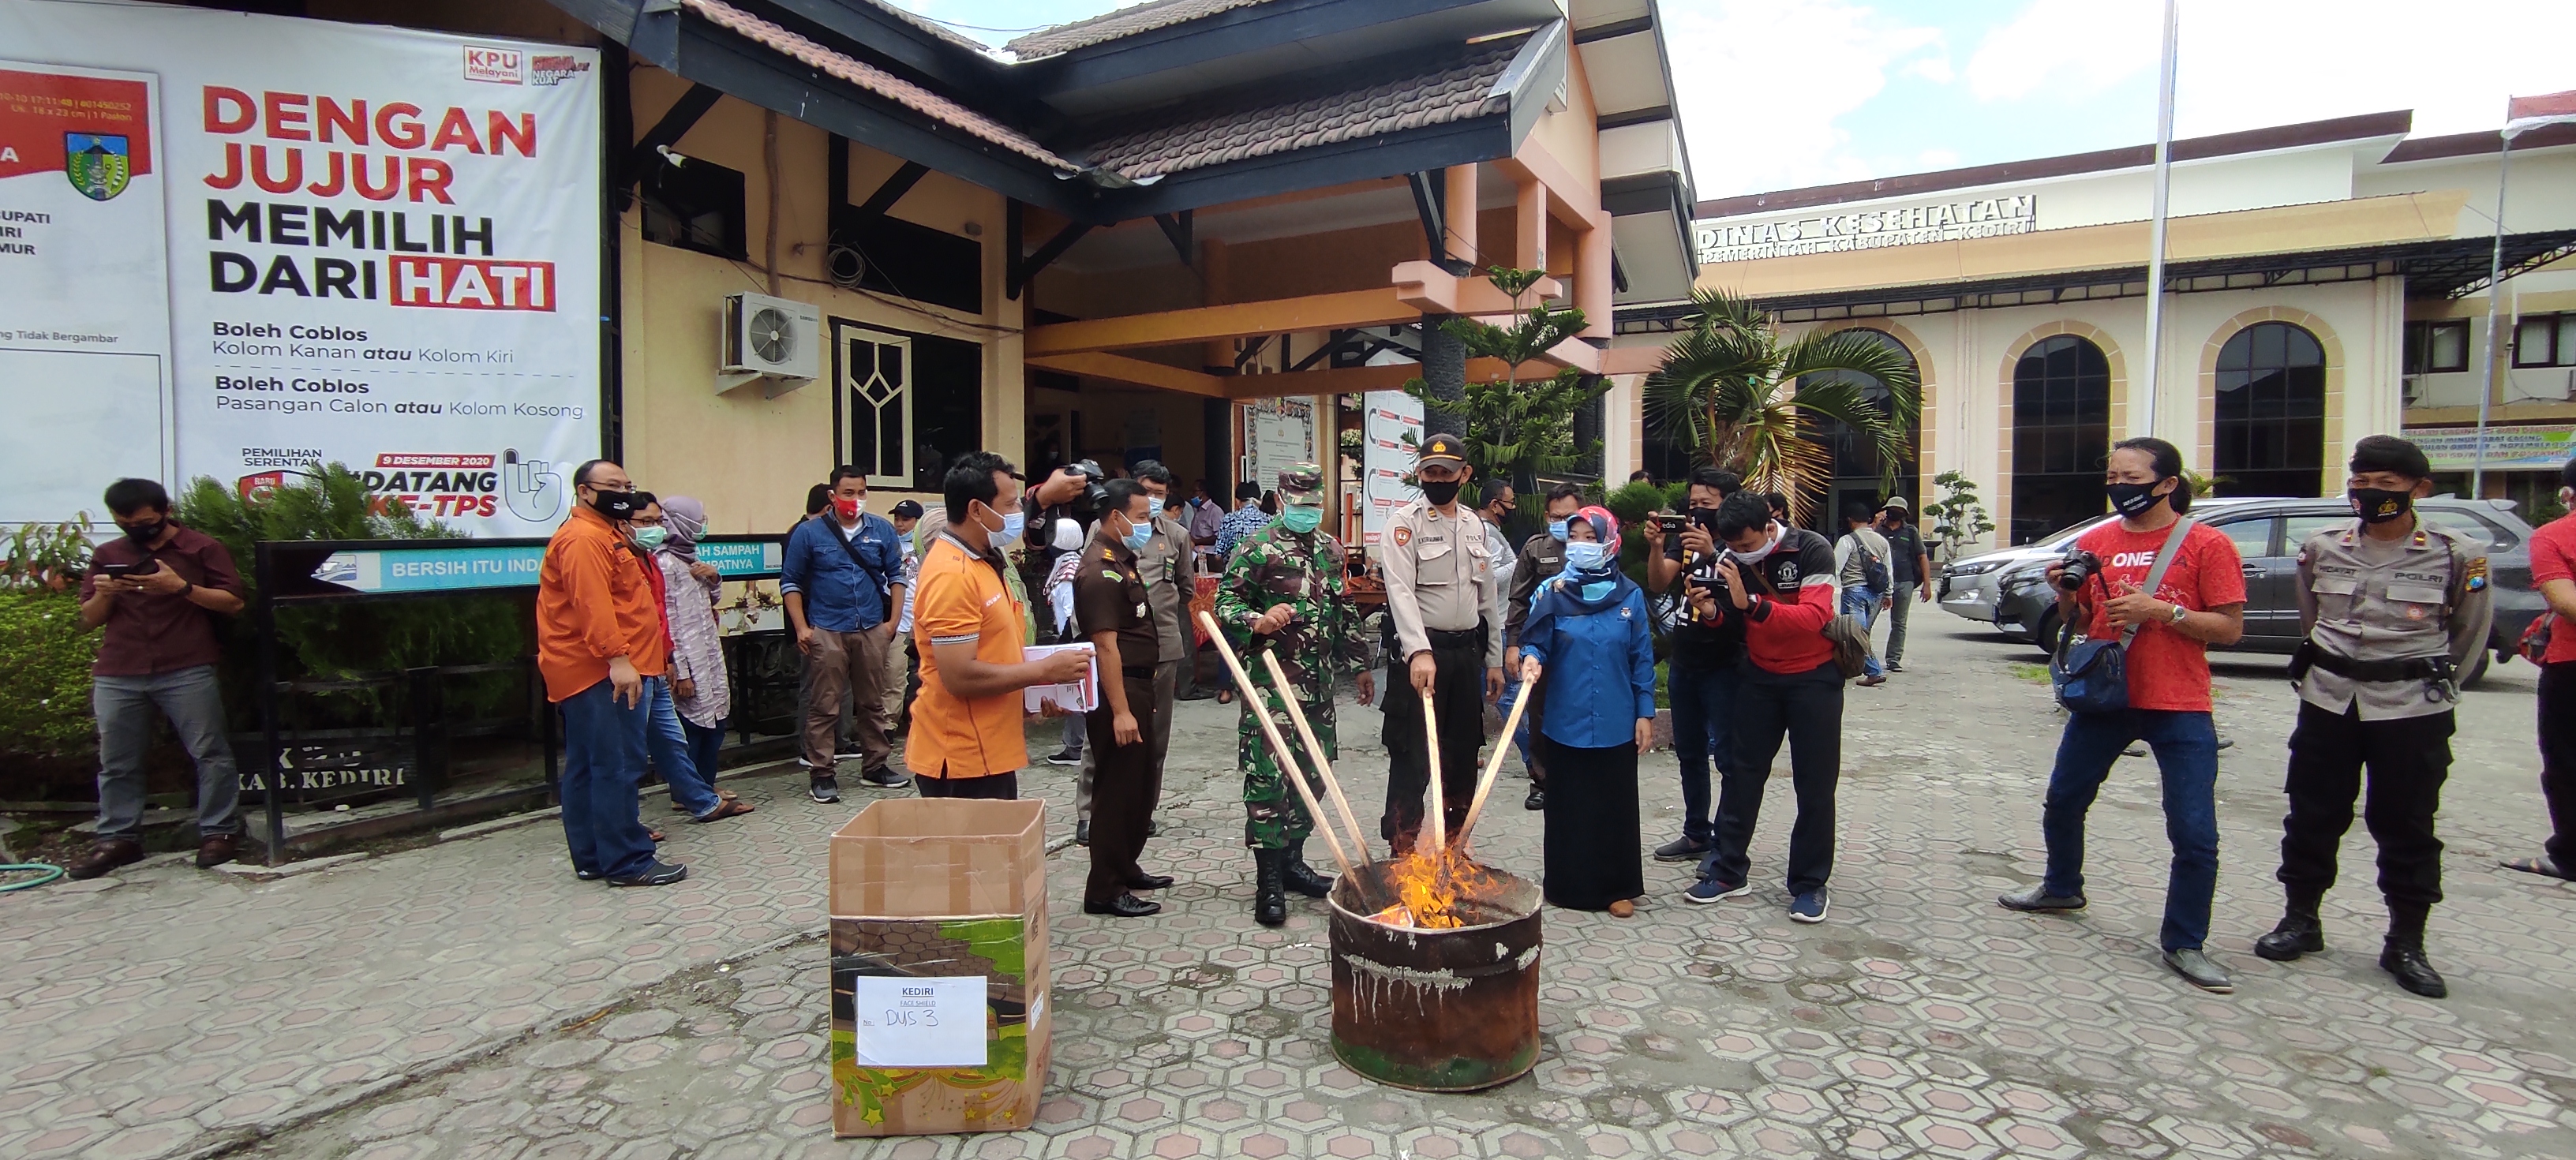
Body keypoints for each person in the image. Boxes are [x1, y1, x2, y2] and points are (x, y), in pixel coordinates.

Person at [1997, 437, 2246, 993]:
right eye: (2112, 474)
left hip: (2179, 703)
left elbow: (2229, 630)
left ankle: (2185, 941)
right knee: (2064, 799)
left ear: (2165, 484)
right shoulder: (2098, 539)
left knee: (2193, 829)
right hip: (2106, 697)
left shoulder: (2207, 544)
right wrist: (2065, 593)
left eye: (2130, 476)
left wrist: (2165, 611)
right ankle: (2062, 885)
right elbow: (2080, 621)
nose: (2118, 485)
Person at [2251, 436, 2491, 998]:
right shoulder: (2320, 546)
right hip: (2330, 699)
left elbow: (2470, 632)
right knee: (2312, 815)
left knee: (2407, 823)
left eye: (2386, 484)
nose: (2370, 493)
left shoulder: (2460, 553)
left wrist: (2430, 679)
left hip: (2411, 708)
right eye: (2361, 483)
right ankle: (2301, 920)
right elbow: (2314, 619)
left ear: (2419, 489)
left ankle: (2407, 941)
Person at [63, 478, 250, 879]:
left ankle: (219, 832)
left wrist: (179, 587)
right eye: (123, 521)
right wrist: (106, 593)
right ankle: (118, 839)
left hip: (186, 664)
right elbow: (84, 621)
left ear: (165, 511)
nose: (135, 527)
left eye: (145, 520)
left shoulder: (201, 547)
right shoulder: (108, 553)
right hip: (119, 669)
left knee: (209, 752)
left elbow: (233, 602)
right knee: (117, 761)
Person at [1214, 465, 1372, 924]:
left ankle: (1292, 862)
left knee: (1313, 775)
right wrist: (1257, 622)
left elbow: (1341, 613)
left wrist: (1360, 665)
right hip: (1271, 686)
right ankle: (1267, 878)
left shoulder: (1330, 549)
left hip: (1319, 686)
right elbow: (1225, 603)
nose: (1307, 510)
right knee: (1267, 779)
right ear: (1282, 500)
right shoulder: (1256, 547)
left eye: (1313, 503)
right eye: (1299, 503)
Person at [1684, 491, 1844, 922]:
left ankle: (1810, 884)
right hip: (1758, 677)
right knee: (1741, 773)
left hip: (1814, 678)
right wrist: (1712, 611)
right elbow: (1734, 622)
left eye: (1749, 545)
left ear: (1770, 526)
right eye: (1733, 547)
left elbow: (1814, 616)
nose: (1741, 554)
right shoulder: (1732, 559)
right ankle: (1729, 870)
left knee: (1814, 784)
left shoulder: (1811, 549)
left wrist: (1750, 602)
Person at [906, 451, 1092, 799]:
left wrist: (1031, 696)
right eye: (1009, 506)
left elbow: (995, 651)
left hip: (990, 750)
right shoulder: (952, 573)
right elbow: (959, 675)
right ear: (977, 510)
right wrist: (1042, 672)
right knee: (973, 853)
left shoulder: (986, 560)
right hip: (961, 757)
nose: (1018, 515)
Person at [537, 460, 686, 886]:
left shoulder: (607, 533)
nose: (624, 493)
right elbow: (593, 605)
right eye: (613, 486)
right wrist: (618, 660)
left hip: (601, 669)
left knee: (589, 765)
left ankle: (593, 857)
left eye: (628, 485)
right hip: (601, 672)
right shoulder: (585, 539)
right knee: (618, 764)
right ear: (585, 492)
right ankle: (627, 861)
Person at [1518, 507, 1655, 918]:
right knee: (1569, 805)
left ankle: (1617, 888)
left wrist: (1644, 713)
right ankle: (1566, 886)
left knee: (1614, 805)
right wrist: (1530, 658)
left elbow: (1641, 658)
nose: (1581, 545)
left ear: (1610, 542)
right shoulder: (1553, 593)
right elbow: (1536, 641)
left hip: (1616, 717)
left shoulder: (1630, 595)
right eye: (1574, 536)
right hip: (1566, 717)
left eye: (1590, 537)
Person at [1379, 433, 1504, 855]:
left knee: (1463, 755)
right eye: (1429, 473)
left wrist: (1493, 659)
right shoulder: (1404, 524)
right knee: (1412, 755)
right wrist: (1418, 651)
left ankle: (1455, 843)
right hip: (1421, 659)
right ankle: (1403, 844)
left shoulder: (1475, 526)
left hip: (1465, 656)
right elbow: (1400, 593)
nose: (1437, 480)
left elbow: (1486, 598)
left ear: (1464, 475)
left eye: (1446, 473)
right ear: (1420, 474)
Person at [1075, 462, 1197, 846]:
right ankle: (1089, 814)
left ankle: (1142, 811)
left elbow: (1186, 589)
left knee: (1154, 741)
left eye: (1160, 494)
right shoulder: (1103, 533)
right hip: (1114, 651)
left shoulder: (1176, 536)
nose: (1154, 501)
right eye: (1147, 492)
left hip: (1161, 649)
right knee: (1106, 736)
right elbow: (1091, 588)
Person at [1074, 480, 1174, 918]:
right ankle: (1104, 889)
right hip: (1117, 691)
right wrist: (1119, 711)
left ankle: (1126, 865)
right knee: (1115, 791)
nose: (1145, 524)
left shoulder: (1122, 561)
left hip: (1138, 685)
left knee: (1137, 785)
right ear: (1114, 516)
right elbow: (1105, 647)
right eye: (1138, 517)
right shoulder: (1098, 570)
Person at [781, 466, 908, 802]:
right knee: (825, 704)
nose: (856, 499)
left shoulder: (881, 529)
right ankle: (822, 773)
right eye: (849, 493)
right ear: (833, 496)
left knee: (872, 701)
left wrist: (892, 623)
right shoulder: (808, 534)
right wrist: (802, 629)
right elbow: (790, 583)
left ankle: (876, 766)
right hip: (827, 628)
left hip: (871, 627)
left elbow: (896, 576)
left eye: (862, 492)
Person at [1641, 467, 1745, 865]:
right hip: (1686, 660)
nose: (1699, 511)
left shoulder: (1739, 545)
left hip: (1725, 664)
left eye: (1708, 504)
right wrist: (1656, 546)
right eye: (1694, 503)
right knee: (1690, 752)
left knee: (1729, 757)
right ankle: (1696, 832)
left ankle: (1727, 841)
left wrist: (1711, 552)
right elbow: (1657, 583)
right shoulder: (1683, 542)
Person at [633, 496, 752, 825]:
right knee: (693, 726)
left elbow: (707, 601)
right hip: (686, 658)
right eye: (697, 518)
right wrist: (680, 670)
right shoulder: (663, 563)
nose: (702, 523)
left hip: (709, 652)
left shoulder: (689, 558)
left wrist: (714, 579)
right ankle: (685, 793)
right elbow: (666, 617)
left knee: (715, 723)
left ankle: (704, 786)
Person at [2505, 456, 2576, 884]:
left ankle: (2569, 857)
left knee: (2567, 763)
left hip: (2571, 668)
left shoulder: (2554, 535)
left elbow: (2566, 603)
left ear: (2568, 494)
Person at [1503, 482, 1585, 810]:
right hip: (1542, 649)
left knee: (1580, 712)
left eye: (1569, 516)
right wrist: (1513, 645)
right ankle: (1541, 781)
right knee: (1538, 714)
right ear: (1546, 516)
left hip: (1582, 649)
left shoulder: (1597, 546)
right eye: (1555, 516)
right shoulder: (1536, 549)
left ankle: (1577, 780)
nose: (1562, 522)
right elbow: (1519, 598)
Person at [1213, 481, 1271, 705]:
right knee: (1260, 635)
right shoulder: (1268, 521)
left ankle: (1225, 689)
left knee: (1228, 637)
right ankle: (1257, 686)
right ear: (1256, 499)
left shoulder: (1230, 519)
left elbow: (1218, 554)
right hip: (1263, 589)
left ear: (1237, 500)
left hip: (1237, 585)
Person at [1043, 525, 1089, 767]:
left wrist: (1067, 644)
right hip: (1072, 639)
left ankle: (1076, 746)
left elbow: (1072, 613)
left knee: (1076, 695)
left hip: (1072, 641)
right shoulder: (1072, 563)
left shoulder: (1068, 572)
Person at [1834, 501, 1893, 687]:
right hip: (1876, 593)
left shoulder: (1847, 541)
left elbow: (1835, 567)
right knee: (1861, 633)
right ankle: (1856, 667)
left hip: (1854, 591)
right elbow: (1888, 570)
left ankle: (1874, 671)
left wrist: (1828, 589)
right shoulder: (1882, 541)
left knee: (1854, 634)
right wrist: (1889, 593)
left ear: (1851, 520)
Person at [1875, 497, 1933, 672]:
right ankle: (1863, 657)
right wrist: (1875, 523)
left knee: (1899, 622)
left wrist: (1927, 584)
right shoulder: (1878, 530)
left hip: (1904, 581)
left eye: (1898, 510)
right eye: (1892, 509)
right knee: (1868, 620)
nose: (1895, 513)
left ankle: (1893, 659)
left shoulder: (1911, 532)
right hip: (1880, 583)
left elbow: (1922, 557)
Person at [886, 499, 923, 732]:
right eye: (897, 519)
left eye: (906, 520)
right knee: (893, 675)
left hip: (923, 621)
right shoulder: (889, 548)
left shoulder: (929, 548)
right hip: (898, 622)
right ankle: (887, 726)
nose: (900, 525)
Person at [1477, 480, 1519, 597]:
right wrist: (1520, 563)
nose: (1513, 507)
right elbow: (1490, 578)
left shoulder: (1478, 526)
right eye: (1511, 502)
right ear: (1495, 505)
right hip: (1497, 613)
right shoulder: (1489, 534)